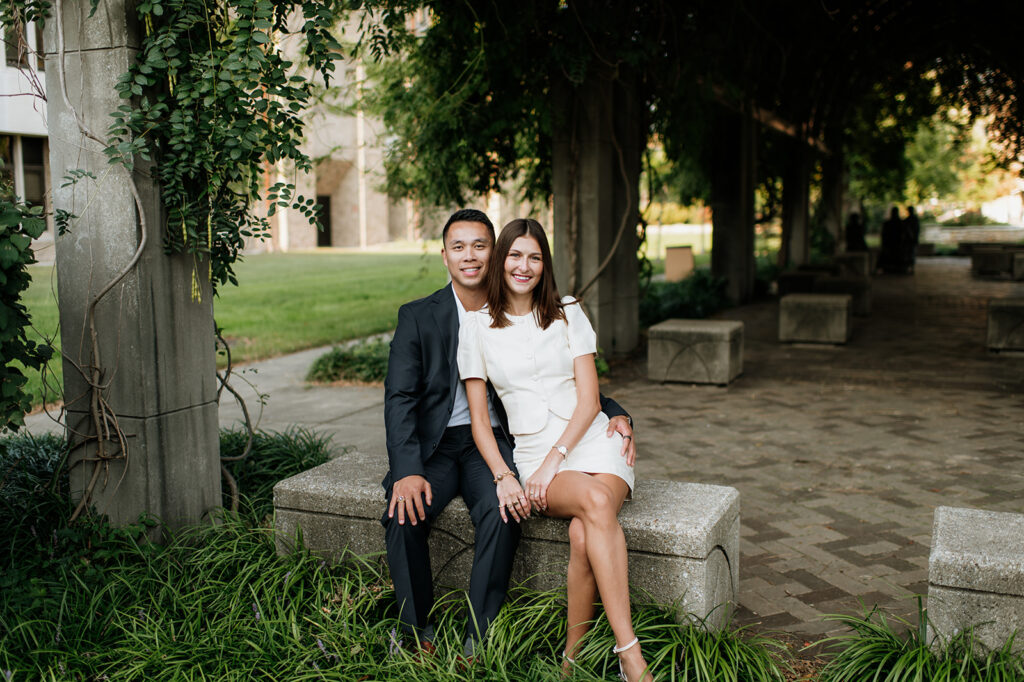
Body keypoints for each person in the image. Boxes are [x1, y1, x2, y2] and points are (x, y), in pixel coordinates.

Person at [382, 209, 635, 658]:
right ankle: (415, 631)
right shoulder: (420, 317)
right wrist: (406, 469)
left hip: (495, 445)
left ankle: (478, 640)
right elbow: (400, 398)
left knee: (504, 512)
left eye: (480, 245)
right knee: (404, 513)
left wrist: (616, 413)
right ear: (445, 256)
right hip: (437, 448)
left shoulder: (537, 310)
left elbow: (563, 382)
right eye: (459, 247)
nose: (470, 256)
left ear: (492, 253)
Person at [458, 218, 654, 682]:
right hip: (529, 453)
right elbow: (480, 424)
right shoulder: (476, 326)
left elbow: (589, 401)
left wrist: (555, 460)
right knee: (595, 505)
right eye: (514, 255)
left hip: (592, 441)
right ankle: (631, 657)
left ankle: (574, 661)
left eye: (534, 257)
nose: (523, 266)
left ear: (544, 265)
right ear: (500, 259)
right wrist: (506, 475)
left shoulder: (567, 310)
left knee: (585, 531)